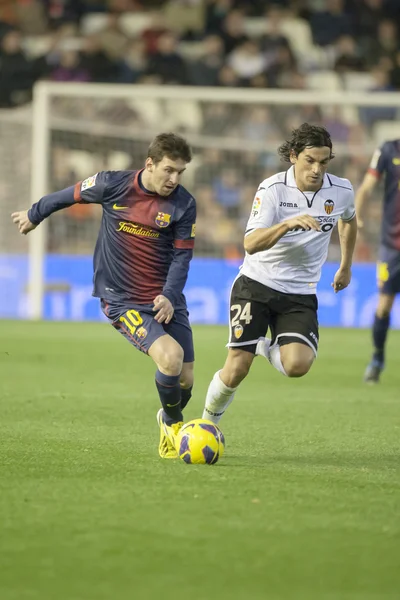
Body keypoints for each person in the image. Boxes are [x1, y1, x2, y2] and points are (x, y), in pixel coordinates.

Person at [11, 133, 196, 458]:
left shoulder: (184, 204)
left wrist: (169, 294)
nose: (174, 179)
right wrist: (34, 214)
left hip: (167, 298)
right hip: (122, 298)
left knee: (185, 381)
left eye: (180, 172)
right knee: (171, 357)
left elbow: (182, 257)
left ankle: (168, 413)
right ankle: (174, 426)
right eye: (169, 170)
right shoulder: (112, 184)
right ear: (149, 164)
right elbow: (69, 196)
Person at [201, 123, 357, 426]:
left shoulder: (341, 190)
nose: (316, 169)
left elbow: (349, 221)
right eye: (310, 161)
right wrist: (286, 225)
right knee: (237, 368)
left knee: (297, 365)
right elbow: (250, 243)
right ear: (293, 156)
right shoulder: (272, 189)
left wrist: (346, 265)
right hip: (256, 285)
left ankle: (261, 344)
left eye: (323, 162)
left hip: (300, 292)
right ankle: (207, 424)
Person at [355, 139, 400, 383]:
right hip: (392, 245)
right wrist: (357, 217)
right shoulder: (389, 150)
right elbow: (367, 186)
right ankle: (377, 358)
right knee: (384, 305)